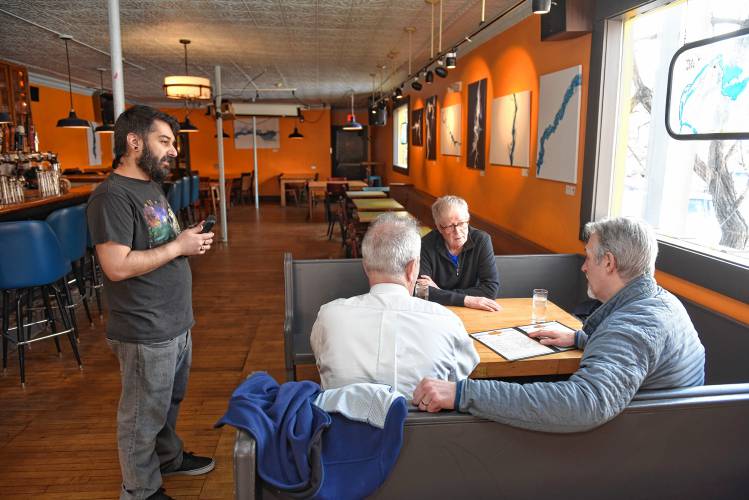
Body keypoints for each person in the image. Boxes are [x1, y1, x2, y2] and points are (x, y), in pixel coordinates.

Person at [413, 217, 705, 432]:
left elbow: (582, 404)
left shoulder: (632, 328)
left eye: (589, 257)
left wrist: (462, 393)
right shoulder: (660, 301)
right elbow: (639, 359)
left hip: (639, 444)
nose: (583, 266)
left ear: (609, 263)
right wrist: (582, 338)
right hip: (666, 430)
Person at [87, 105, 216, 500]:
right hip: (144, 327)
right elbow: (116, 265)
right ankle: (140, 489)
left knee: (165, 404)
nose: (173, 151)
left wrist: (185, 242)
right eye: (165, 141)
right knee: (142, 415)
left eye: (173, 143)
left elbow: (159, 243)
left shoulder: (150, 186)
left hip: (174, 321)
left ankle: (168, 458)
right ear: (134, 141)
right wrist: (179, 245)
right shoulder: (111, 196)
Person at [311, 212, 479, 399]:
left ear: (366, 266)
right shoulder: (447, 322)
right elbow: (460, 378)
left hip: (341, 426)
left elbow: (321, 362)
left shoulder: (329, 316)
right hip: (425, 426)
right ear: (411, 268)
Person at [418, 195, 500, 311]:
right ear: (439, 227)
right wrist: (467, 300)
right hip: (437, 310)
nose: (457, 232)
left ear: (468, 220)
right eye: (450, 226)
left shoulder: (481, 240)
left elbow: (490, 290)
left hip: (474, 311)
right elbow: (422, 292)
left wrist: (440, 292)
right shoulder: (426, 245)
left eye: (461, 223)